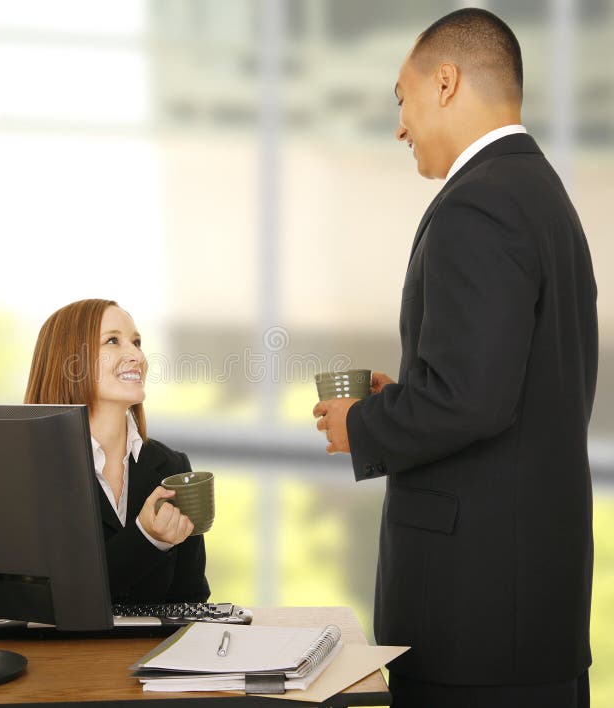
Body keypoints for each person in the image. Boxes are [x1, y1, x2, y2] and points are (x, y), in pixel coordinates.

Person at [313, 9, 596, 708]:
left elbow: (472, 397)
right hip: (528, 615)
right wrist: (402, 394)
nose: (400, 125)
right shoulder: (543, 196)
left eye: (401, 98)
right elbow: (507, 387)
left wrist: (365, 423)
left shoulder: (478, 206)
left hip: (474, 622)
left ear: (445, 83)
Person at [25, 298, 210, 604]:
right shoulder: (27, 469)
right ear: (68, 361)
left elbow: (191, 602)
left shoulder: (172, 467)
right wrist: (146, 538)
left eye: (136, 342)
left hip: (158, 653)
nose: (136, 355)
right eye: (113, 341)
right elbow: (47, 600)